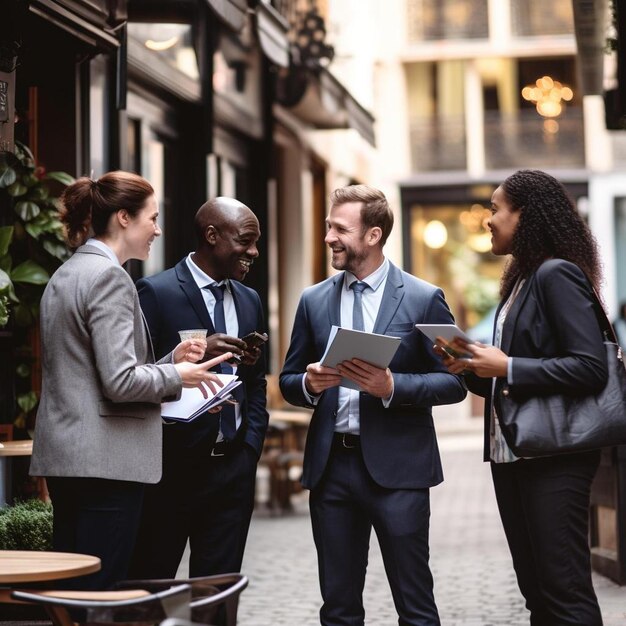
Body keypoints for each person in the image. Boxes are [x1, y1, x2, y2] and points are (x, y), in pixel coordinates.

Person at [30, 171, 231, 590]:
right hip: (106, 463)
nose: (157, 229)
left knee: (73, 593)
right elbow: (119, 381)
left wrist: (166, 362)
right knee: (100, 594)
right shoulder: (110, 278)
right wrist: (179, 374)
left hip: (71, 457)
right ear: (124, 217)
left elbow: (91, 369)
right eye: (151, 218)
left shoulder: (68, 273)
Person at [279, 184, 466, 626]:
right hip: (332, 473)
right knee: (339, 609)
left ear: (373, 235)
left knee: (415, 606)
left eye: (339, 229)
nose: (328, 238)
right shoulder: (313, 300)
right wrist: (307, 383)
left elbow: (460, 380)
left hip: (400, 472)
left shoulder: (425, 296)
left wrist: (392, 387)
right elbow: (288, 381)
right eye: (328, 227)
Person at [435, 169, 607, 625]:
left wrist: (506, 365)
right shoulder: (522, 281)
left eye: (496, 209)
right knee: (537, 592)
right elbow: (512, 376)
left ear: (525, 216)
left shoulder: (557, 275)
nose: (488, 220)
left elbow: (589, 367)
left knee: (564, 590)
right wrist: (472, 368)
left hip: (555, 457)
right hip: (516, 455)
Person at [129, 196, 268, 579]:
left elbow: (255, 383)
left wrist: (250, 447)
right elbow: (138, 376)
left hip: (232, 470)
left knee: (217, 595)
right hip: (171, 471)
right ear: (212, 235)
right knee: (153, 586)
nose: (254, 251)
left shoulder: (249, 299)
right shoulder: (156, 293)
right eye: (245, 240)